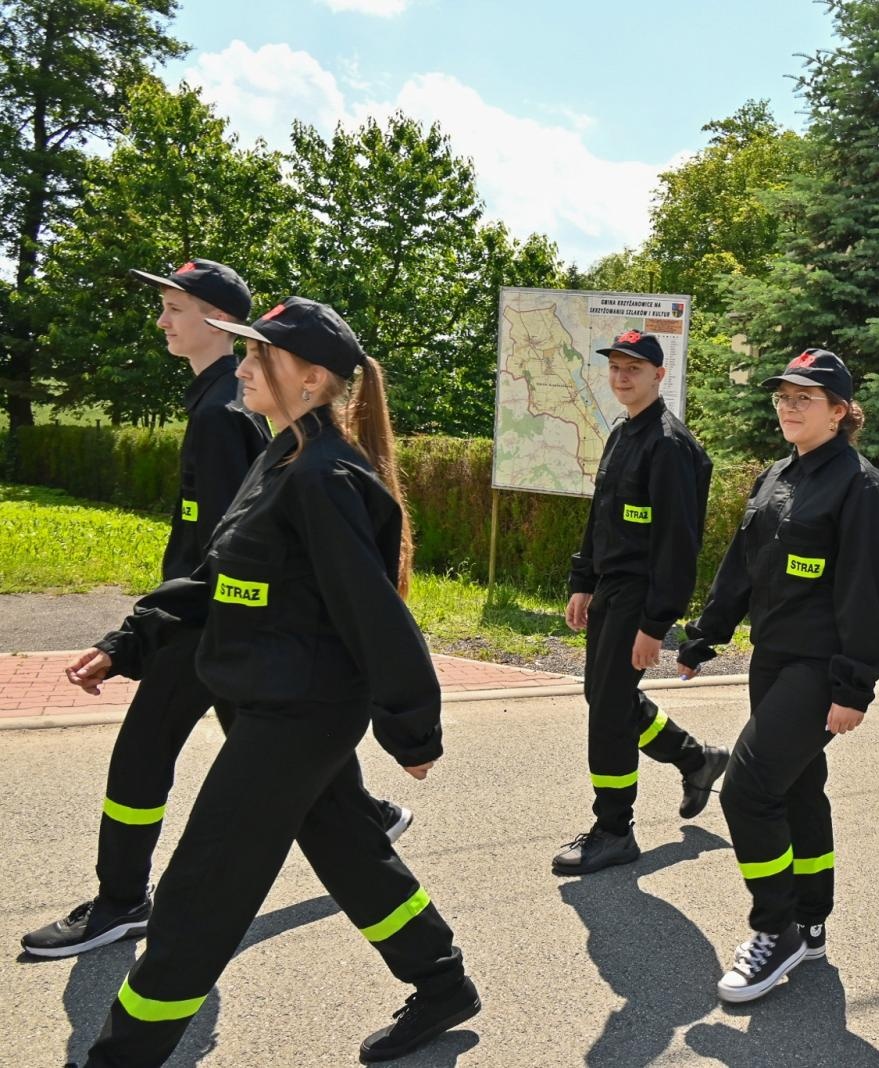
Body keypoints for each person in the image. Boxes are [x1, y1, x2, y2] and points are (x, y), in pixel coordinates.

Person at [64, 298, 477, 1065]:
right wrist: (131, 641)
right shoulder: (283, 455)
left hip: (298, 715)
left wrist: (411, 726)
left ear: (313, 380)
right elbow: (219, 576)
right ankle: (442, 981)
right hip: (275, 700)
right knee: (349, 846)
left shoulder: (326, 476)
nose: (243, 367)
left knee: (199, 892)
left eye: (261, 358)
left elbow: (371, 609)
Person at [19, 263, 410, 961]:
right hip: (214, 624)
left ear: (218, 322)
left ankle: (120, 902)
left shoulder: (227, 419)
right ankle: (398, 887)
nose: (163, 321)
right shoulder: (224, 410)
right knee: (320, 803)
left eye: (175, 308)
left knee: (143, 755)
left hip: (214, 627)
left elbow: (239, 554)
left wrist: (144, 632)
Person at [677, 349, 879, 1004]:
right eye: (783, 396)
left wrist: (854, 685)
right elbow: (740, 569)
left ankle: (774, 930)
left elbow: (864, 592)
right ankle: (811, 918)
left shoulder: (861, 487)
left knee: (747, 790)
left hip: (820, 666)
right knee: (799, 789)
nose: (789, 406)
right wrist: (705, 636)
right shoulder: (774, 476)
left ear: (839, 410)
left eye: (805, 397)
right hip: (772, 657)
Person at [555, 329, 728, 875]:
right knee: (604, 698)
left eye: (634, 367)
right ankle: (696, 758)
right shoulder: (622, 432)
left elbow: (679, 545)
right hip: (609, 587)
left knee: (608, 708)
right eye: (615, 367)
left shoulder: (671, 446)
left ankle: (614, 829)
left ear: (660, 375)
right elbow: (599, 516)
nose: (622, 375)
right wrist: (582, 580)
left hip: (639, 594)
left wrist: (656, 623)